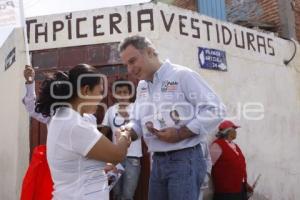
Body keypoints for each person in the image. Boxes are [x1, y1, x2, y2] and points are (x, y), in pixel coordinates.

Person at [118, 35, 225, 200]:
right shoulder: (142, 86)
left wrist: (181, 133)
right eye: (126, 65)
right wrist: (128, 131)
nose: (130, 69)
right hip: (158, 161)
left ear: (150, 52)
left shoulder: (182, 75)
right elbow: (137, 121)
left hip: (186, 158)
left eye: (132, 61)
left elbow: (215, 109)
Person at [33, 64, 132, 200]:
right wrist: (124, 134)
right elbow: (118, 155)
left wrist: (102, 167)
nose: (101, 98)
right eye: (99, 92)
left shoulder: (63, 116)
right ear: (85, 90)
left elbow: (77, 162)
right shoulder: (75, 125)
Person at [101, 79, 142, 200]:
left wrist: (128, 117)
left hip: (133, 158)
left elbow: (142, 128)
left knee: (128, 195)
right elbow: (104, 134)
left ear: (130, 94)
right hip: (115, 159)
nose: (122, 95)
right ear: (114, 94)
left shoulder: (136, 108)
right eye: (119, 92)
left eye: (125, 92)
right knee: (116, 193)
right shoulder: (111, 110)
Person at [210, 120, 253, 200]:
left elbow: (240, 166)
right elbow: (209, 166)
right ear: (227, 131)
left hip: (240, 190)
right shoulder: (217, 145)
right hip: (226, 193)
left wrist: (245, 184)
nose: (236, 132)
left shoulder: (235, 146)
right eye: (234, 130)